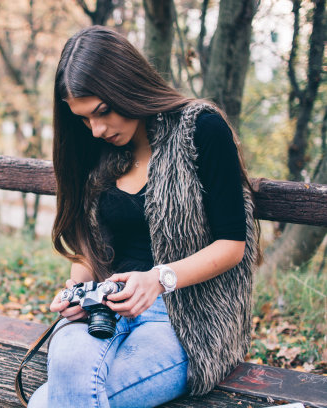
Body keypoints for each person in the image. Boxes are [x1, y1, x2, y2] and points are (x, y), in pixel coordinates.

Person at [27, 26, 259, 408]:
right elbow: (92, 242)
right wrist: (76, 291)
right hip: (105, 307)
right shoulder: (97, 149)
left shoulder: (200, 128)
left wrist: (158, 279)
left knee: (45, 402)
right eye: (84, 119)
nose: (98, 129)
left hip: (186, 320)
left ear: (127, 85)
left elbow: (233, 245)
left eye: (103, 111)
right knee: (66, 368)